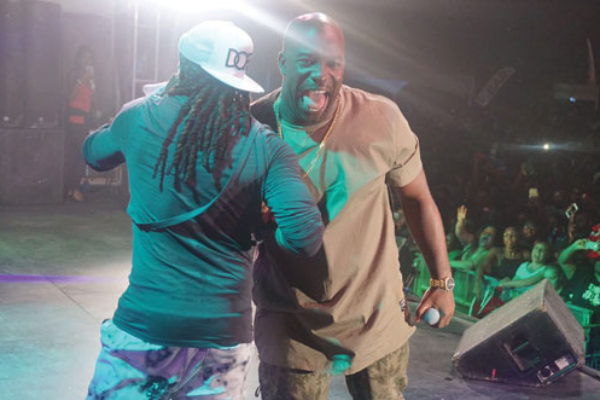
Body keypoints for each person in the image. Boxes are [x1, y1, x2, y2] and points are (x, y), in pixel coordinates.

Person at [84, 21, 324, 400]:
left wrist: (148, 105)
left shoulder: (139, 116)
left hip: (146, 331)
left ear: (184, 66)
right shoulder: (267, 147)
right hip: (223, 339)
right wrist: (261, 226)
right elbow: (305, 237)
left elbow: (93, 153)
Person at [250, 12, 454, 399]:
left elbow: (417, 197)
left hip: (375, 317)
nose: (321, 74)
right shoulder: (251, 127)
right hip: (291, 324)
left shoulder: (381, 118)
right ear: (283, 62)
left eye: (333, 63)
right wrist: (251, 218)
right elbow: (223, 222)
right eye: (307, 60)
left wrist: (441, 281)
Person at [65, 45, 98, 202]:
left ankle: (72, 188)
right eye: (85, 57)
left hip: (84, 121)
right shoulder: (74, 75)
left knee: (79, 156)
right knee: (77, 156)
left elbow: (90, 99)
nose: (88, 60)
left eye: (90, 57)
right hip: (74, 121)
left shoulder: (91, 77)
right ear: (79, 59)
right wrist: (82, 80)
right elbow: (69, 99)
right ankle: (74, 189)